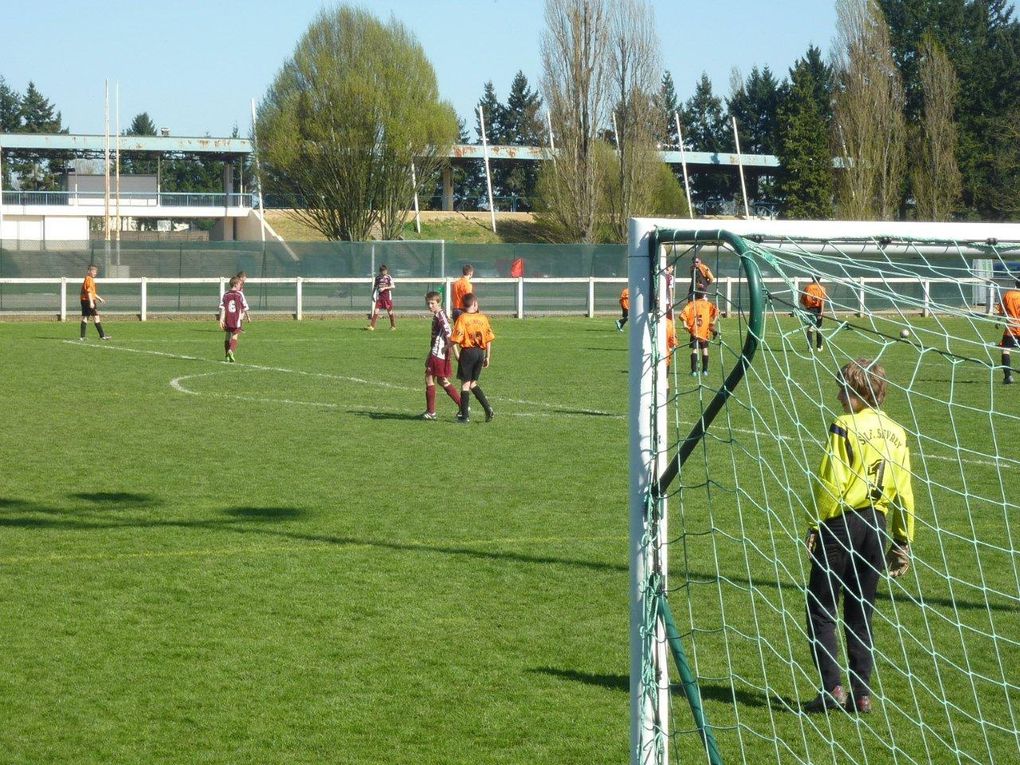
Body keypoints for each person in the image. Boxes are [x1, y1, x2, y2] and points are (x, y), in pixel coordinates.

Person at [803, 358, 915, 715]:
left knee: (820, 609)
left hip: (842, 524)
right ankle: (862, 695)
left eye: (842, 389)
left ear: (858, 392)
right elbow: (905, 490)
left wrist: (813, 524)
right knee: (861, 612)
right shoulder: (898, 432)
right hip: (877, 526)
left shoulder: (844, 426)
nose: (837, 396)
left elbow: (830, 481)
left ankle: (833, 687)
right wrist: (903, 538)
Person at [450, 293, 495, 423]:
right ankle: (488, 408)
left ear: (464, 305)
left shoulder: (462, 318)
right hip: (480, 353)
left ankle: (464, 416)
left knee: (465, 384)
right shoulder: (483, 318)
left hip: (468, 352)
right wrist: (488, 356)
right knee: (473, 383)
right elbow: (489, 338)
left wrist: (447, 347)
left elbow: (456, 338)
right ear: (475, 303)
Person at [422, 290, 462, 420]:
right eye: (428, 303)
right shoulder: (438, 315)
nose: (430, 306)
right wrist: (429, 354)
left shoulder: (441, 316)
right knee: (441, 380)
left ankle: (431, 412)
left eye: (432, 303)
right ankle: (463, 405)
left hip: (439, 353)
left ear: (439, 302)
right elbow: (437, 338)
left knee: (429, 377)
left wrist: (456, 354)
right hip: (437, 352)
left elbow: (450, 335)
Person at [678, 291, 719, 376]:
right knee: (705, 349)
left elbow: (683, 314)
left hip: (695, 331)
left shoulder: (691, 304)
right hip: (704, 332)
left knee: (695, 349)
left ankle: (694, 371)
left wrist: (685, 324)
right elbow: (717, 311)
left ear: (695, 296)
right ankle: (705, 371)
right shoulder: (708, 304)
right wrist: (714, 321)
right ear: (703, 296)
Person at [995, 277, 1020, 385]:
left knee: (1006, 350)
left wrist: (998, 321)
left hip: (1011, 327)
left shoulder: (1008, 295)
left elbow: (1002, 311)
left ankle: (1008, 376)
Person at [218, 276, 247, 362]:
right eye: (239, 284)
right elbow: (244, 307)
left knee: (227, 336)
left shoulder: (226, 294)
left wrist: (221, 319)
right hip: (236, 320)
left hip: (227, 319)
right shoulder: (239, 294)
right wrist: (241, 317)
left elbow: (223, 308)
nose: (240, 286)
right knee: (235, 336)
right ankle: (231, 351)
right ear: (235, 284)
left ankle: (226, 355)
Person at [79, 264, 111, 341]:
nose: (95, 273)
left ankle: (82, 337)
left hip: (84, 300)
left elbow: (91, 292)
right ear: (89, 271)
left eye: (96, 272)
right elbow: (89, 292)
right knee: (96, 317)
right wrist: (91, 302)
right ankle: (102, 336)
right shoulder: (89, 279)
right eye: (93, 271)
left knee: (85, 317)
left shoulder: (88, 279)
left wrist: (99, 298)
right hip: (88, 300)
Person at [801, 275, 828, 351]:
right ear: (820, 279)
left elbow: (802, 300)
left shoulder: (807, 288)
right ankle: (819, 346)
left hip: (810, 309)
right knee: (818, 328)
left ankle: (810, 347)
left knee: (810, 328)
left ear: (812, 279)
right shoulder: (822, 288)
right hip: (819, 310)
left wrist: (807, 306)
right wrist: (821, 312)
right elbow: (822, 301)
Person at [368, 264, 396, 331]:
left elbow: (393, 286)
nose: (385, 272)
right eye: (383, 271)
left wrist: (384, 288)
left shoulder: (389, 277)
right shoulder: (377, 278)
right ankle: (372, 326)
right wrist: (372, 295)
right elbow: (375, 287)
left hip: (387, 297)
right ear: (380, 271)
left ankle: (393, 326)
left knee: (390, 312)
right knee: (376, 311)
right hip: (380, 297)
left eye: (385, 271)